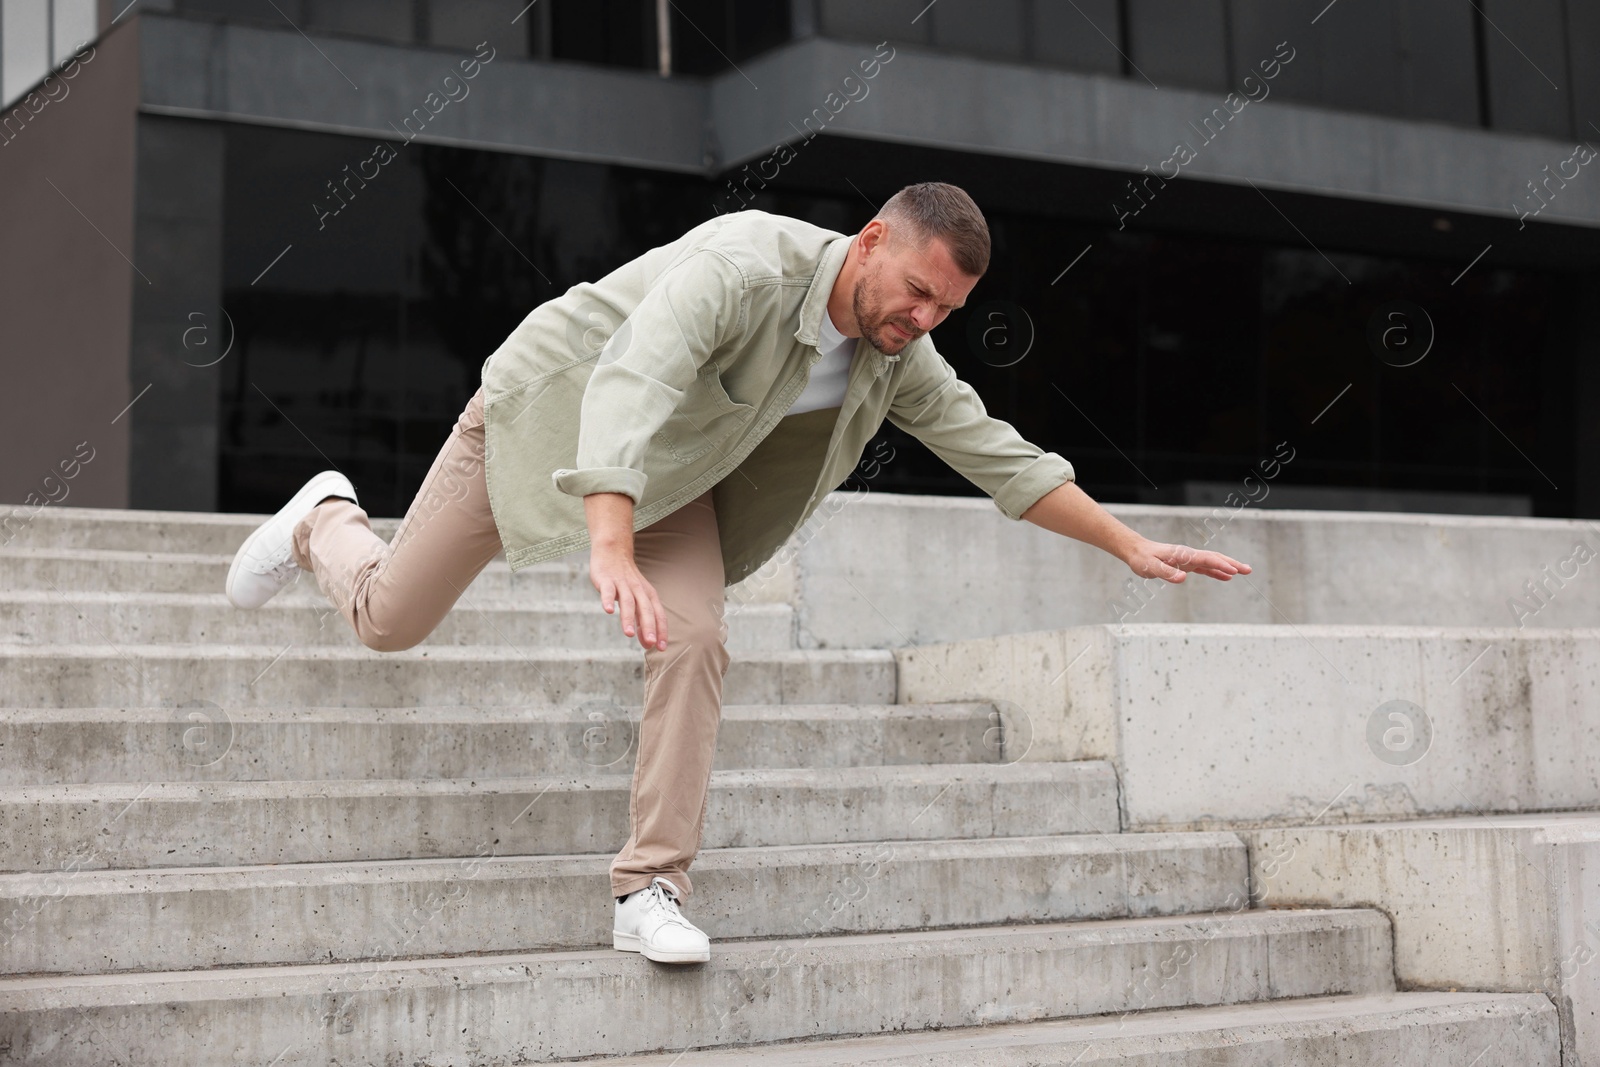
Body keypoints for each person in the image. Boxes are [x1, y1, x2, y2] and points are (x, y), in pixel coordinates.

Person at [224, 181, 1250, 966]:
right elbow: (636, 375)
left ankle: (647, 889)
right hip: (541, 419)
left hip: (672, 486)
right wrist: (609, 539)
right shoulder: (743, 265)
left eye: (947, 308)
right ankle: (323, 517)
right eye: (917, 293)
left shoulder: (896, 354)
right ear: (872, 243)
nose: (924, 319)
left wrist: (1126, 543)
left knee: (696, 634)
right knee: (390, 618)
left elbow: (998, 454)